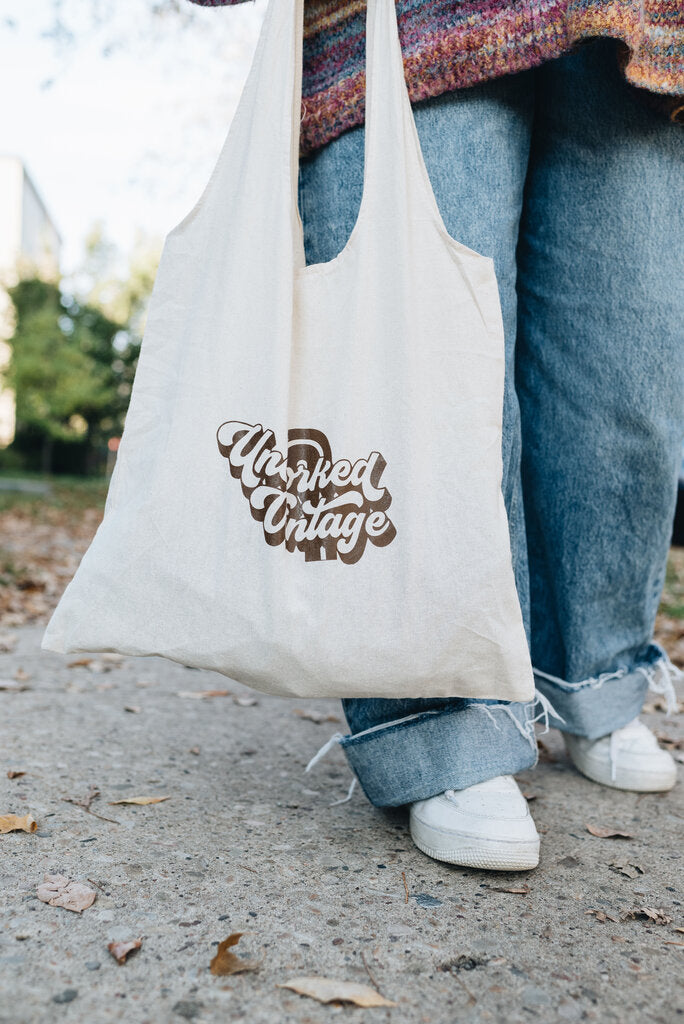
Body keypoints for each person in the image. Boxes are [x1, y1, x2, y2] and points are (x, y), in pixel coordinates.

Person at [190, 0, 683, 870]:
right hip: (411, 21)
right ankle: (443, 717)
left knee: (624, 371)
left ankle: (598, 680)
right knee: (424, 365)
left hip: (636, 29)